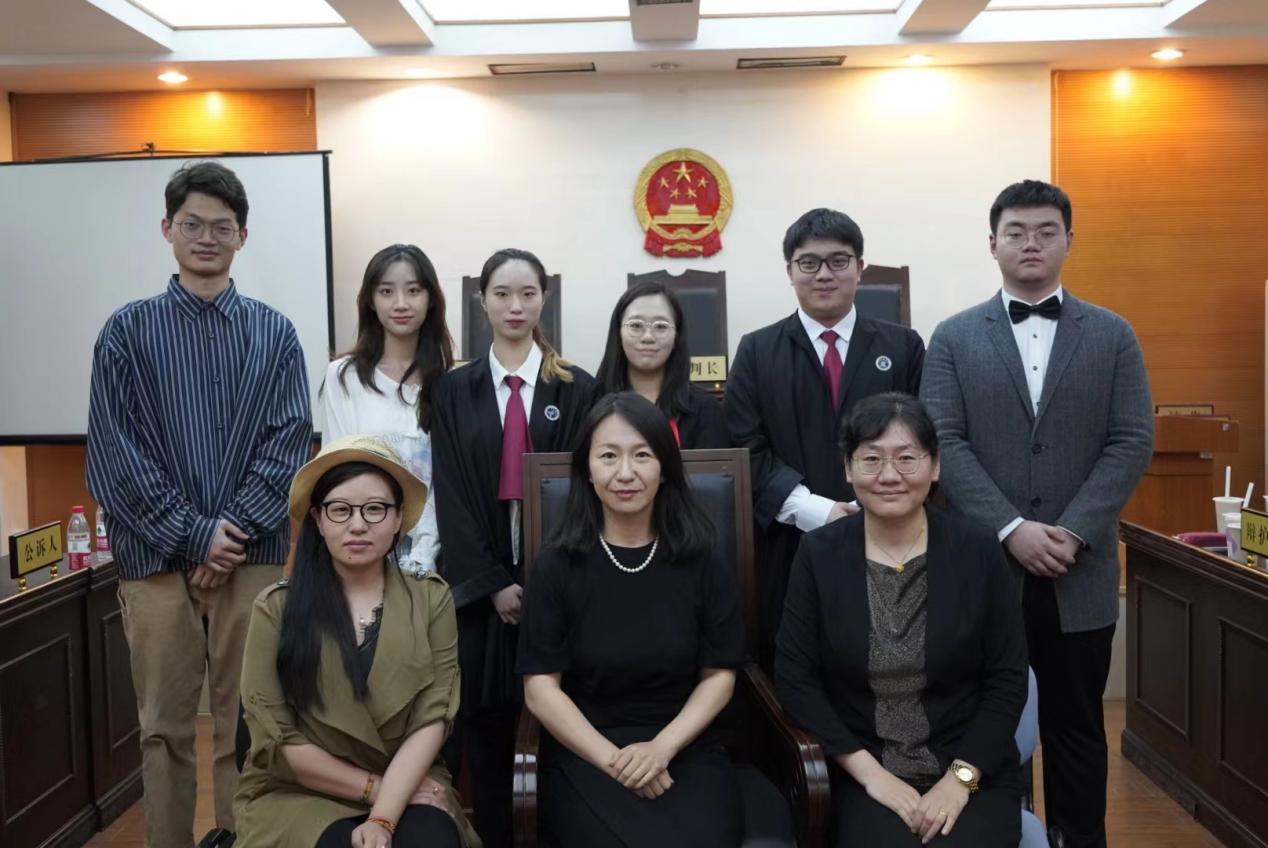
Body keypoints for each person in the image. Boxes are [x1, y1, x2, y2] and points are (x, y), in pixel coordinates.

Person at [920, 180, 1153, 848]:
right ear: (992, 243)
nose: (1031, 243)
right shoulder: (954, 337)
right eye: (1016, 232)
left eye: (1046, 231)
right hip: (985, 569)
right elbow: (944, 441)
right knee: (988, 725)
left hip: (1080, 573)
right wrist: (1011, 528)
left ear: (1069, 241)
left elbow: (1131, 439)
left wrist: (1073, 530)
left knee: (1077, 728)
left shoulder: (1112, 334)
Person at [86, 160, 312, 848]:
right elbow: (115, 452)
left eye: (222, 226)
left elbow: (288, 442)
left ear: (243, 235)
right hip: (155, 563)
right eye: (193, 225)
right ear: (167, 229)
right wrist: (193, 536)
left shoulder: (276, 334)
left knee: (249, 721)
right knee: (163, 728)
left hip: (251, 559)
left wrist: (227, 534)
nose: (206, 238)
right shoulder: (125, 333)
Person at [775, 392, 1028, 847]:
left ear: (935, 466)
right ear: (848, 468)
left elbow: (1007, 680)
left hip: (972, 771)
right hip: (864, 773)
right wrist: (871, 776)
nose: (889, 475)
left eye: (907, 458)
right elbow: (796, 679)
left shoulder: (978, 550)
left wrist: (960, 781)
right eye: (871, 459)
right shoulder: (819, 554)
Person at [519, 392, 746, 848]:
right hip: (589, 751)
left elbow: (720, 675)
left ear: (664, 468)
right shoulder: (556, 567)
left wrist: (661, 749)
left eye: (642, 455)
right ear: (587, 469)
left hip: (686, 749)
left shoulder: (703, 560)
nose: (625, 472)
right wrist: (616, 762)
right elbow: (540, 689)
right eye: (609, 456)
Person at [234, 435, 479, 848]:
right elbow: (279, 741)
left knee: (431, 840)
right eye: (340, 509)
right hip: (299, 791)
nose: (358, 524)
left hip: (408, 778)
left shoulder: (431, 600)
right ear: (318, 519)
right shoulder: (275, 608)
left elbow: (432, 721)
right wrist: (374, 791)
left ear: (399, 518)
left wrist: (383, 815)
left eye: (376, 509)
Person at [431, 248, 597, 848]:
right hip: (483, 594)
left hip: (558, 584)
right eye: (502, 293)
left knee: (561, 721)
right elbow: (450, 492)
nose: (515, 306)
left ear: (544, 298)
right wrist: (494, 583)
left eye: (528, 293)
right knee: (487, 726)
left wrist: (545, 581)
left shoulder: (575, 386)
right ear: (482, 301)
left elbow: (584, 492)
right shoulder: (454, 389)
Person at [725, 207, 925, 663]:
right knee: (796, 664)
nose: (824, 274)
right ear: (789, 271)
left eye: (838, 261)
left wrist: (874, 505)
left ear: (860, 267)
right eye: (809, 262)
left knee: (891, 660)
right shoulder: (756, 351)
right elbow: (745, 448)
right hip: (789, 543)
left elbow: (923, 443)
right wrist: (819, 511)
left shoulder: (904, 347)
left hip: (892, 538)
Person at [322, 243, 454, 574]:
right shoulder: (344, 377)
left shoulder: (450, 382)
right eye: (386, 291)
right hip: (364, 547)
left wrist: (426, 550)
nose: (401, 303)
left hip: (440, 554)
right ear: (370, 299)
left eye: (413, 291)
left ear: (431, 299)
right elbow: (337, 468)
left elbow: (451, 481)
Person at [594, 281, 729, 449]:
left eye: (660, 326)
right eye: (635, 325)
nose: (648, 337)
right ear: (618, 333)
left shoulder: (706, 410)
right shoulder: (590, 403)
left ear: (676, 337)